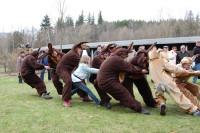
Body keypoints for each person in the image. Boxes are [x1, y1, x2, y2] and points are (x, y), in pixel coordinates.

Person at [148, 47, 200, 116]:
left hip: (157, 83)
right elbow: (175, 69)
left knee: (159, 95)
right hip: (167, 82)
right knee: (178, 95)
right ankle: (193, 109)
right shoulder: (161, 61)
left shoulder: (150, 63)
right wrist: (193, 73)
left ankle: (162, 104)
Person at [97, 48, 149, 114]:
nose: (126, 57)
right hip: (108, 82)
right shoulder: (117, 59)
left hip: (102, 81)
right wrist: (141, 70)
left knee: (120, 95)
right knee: (124, 93)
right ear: (121, 54)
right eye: (125, 55)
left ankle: (125, 103)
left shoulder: (112, 58)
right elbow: (129, 67)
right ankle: (139, 108)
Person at [56, 42, 89, 107]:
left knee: (80, 80)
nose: (81, 50)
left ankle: (84, 96)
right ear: (76, 48)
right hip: (62, 69)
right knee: (68, 81)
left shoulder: (76, 53)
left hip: (69, 70)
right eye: (80, 48)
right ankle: (66, 100)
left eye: (81, 49)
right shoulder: (73, 54)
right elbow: (81, 63)